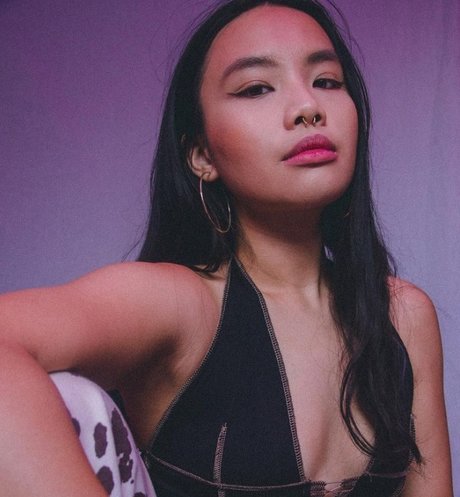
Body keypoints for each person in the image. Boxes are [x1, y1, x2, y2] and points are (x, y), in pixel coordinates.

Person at [0, 0, 453, 496]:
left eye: (327, 81)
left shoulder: (404, 317)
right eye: (256, 87)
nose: (308, 107)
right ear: (201, 155)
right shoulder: (181, 304)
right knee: (68, 397)